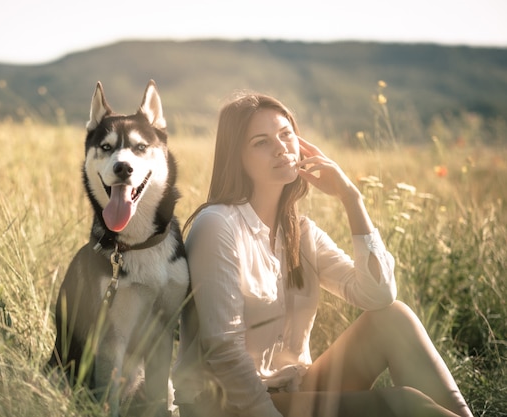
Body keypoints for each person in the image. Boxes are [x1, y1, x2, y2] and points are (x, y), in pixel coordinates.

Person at [171, 92, 473, 417]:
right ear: (237, 157)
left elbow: (378, 294)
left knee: (393, 319)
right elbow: (225, 351)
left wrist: (350, 196)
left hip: (294, 392)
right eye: (261, 142)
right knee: (404, 405)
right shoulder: (218, 225)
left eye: (286, 134)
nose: (281, 147)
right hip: (228, 405)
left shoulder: (299, 232)